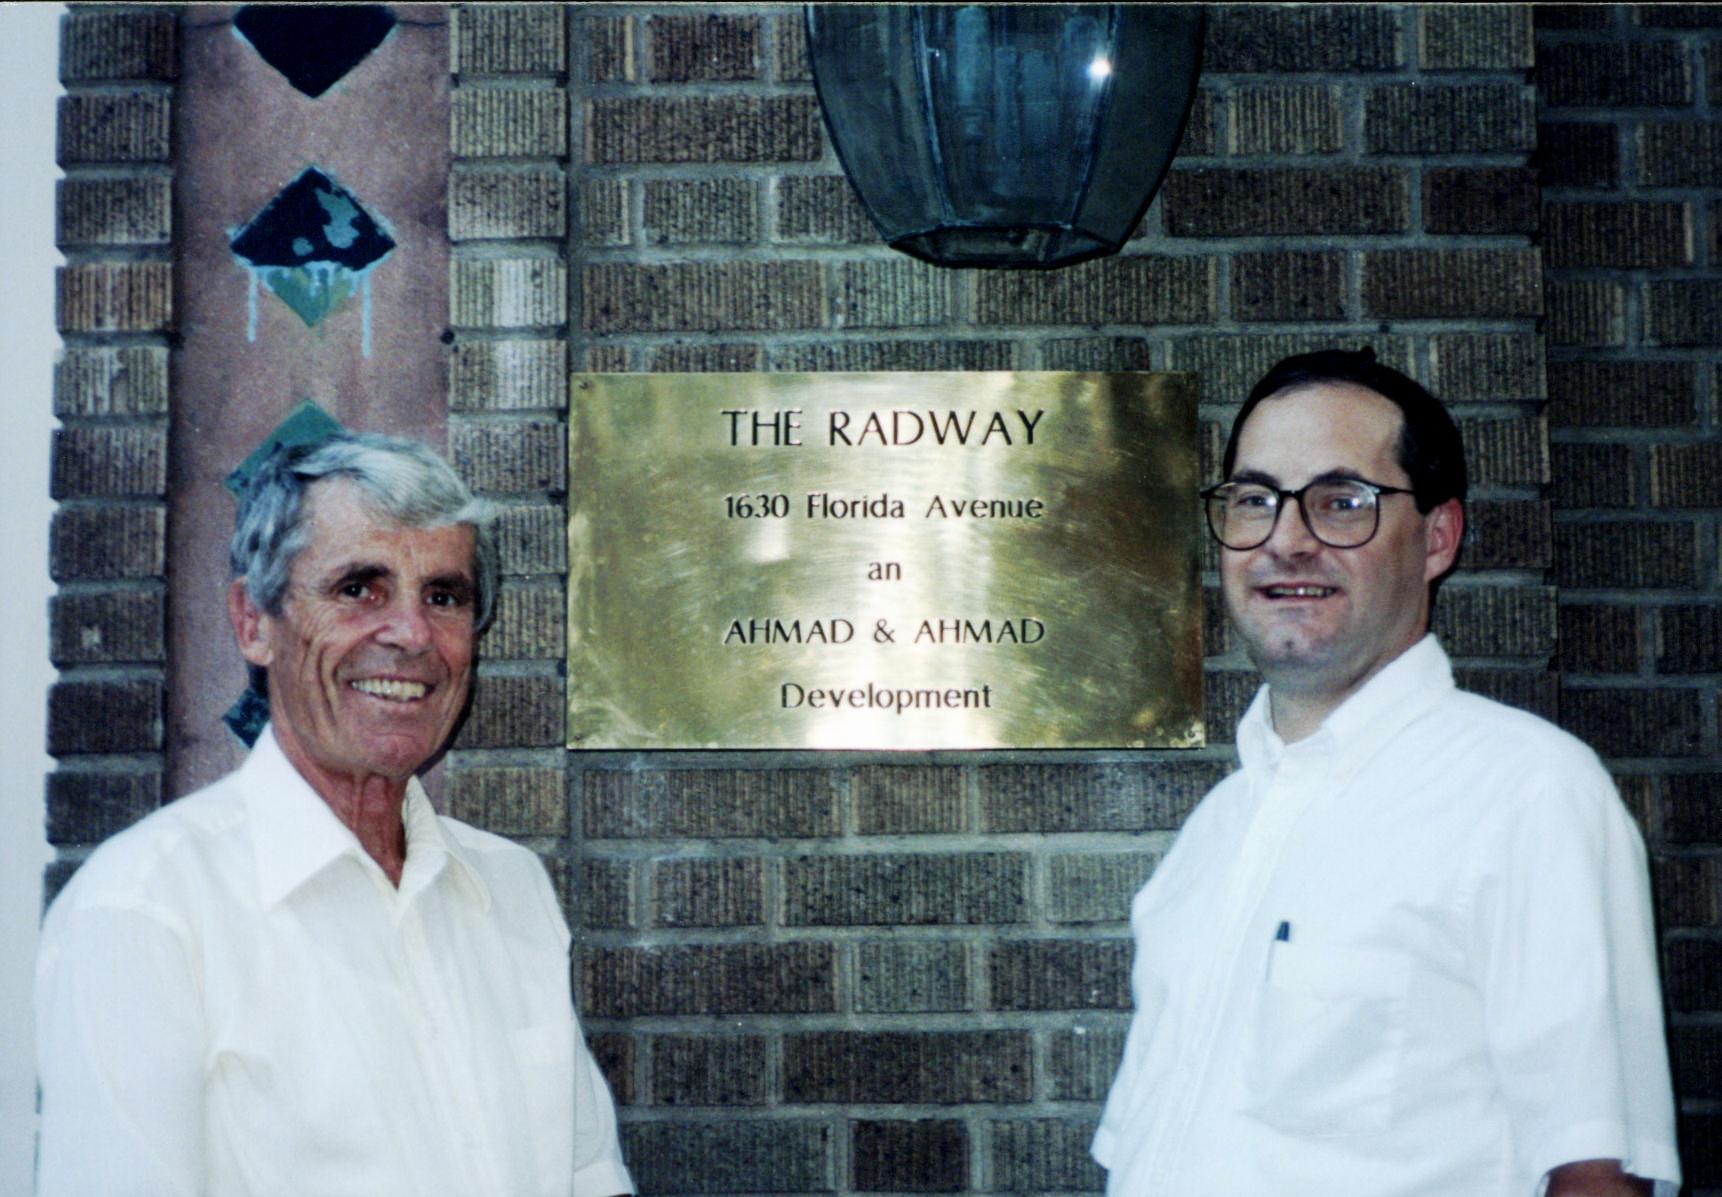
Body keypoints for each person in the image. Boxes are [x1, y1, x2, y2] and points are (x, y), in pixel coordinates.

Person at [1093, 349, 1681, 1196]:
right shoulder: (1215, 834)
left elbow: (1594, 1173)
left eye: (1342, 503)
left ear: (1438, 537)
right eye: (1255, 500)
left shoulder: (1527, 792)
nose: (1285, 540)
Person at [35, 433, 633, 1197]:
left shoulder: (510, 890)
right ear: (254, 621)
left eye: (443, 596)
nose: (412, 634)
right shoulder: (146, 908)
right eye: (360, 588)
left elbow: (588, 1179)